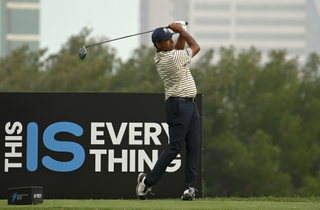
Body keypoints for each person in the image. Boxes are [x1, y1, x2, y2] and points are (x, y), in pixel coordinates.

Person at [135, 22, 201, 201]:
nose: (171, 41)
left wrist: (180, 33)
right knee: (175, 147)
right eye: (166, 40)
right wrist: (182, 31)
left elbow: (178, 48)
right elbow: (195, 47)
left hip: (190, 105)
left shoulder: (168, 54)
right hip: (178, 106)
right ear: (158, 45)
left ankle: (189, 188)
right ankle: (147, 181)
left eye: (170, 37)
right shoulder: (170, 59)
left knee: (194, 146)